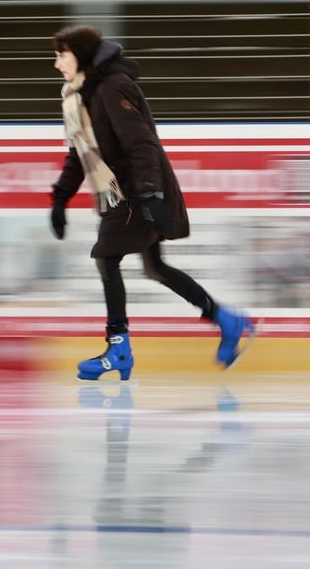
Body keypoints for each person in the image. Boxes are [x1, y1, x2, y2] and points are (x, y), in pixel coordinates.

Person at [47, 26, 255, 381]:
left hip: (134, 193)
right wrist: (61, 198)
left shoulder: (113, 88)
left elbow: (142, 144)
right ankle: (226, 320)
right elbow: (79, 153)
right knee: (155, 267)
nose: (56, 64)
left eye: (61, 55)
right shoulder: (80, 96)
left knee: (106, 258)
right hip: (125, 192)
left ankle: (119, 348)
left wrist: (149, 194)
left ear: (79, 56)